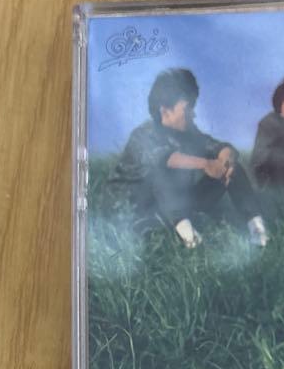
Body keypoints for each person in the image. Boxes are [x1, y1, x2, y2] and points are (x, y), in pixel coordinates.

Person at [108, 68, 268, 248]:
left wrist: (225, 158)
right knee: (162, 173)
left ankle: (258, 231)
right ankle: (191, 240)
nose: (193, 114)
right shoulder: (142, 135)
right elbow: (166, 159)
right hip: (136, 213)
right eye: (187, 108)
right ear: (165, 111)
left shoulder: (187, 132)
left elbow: (214, 145)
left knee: (233, 169)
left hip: (174, 206)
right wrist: (206, 164)